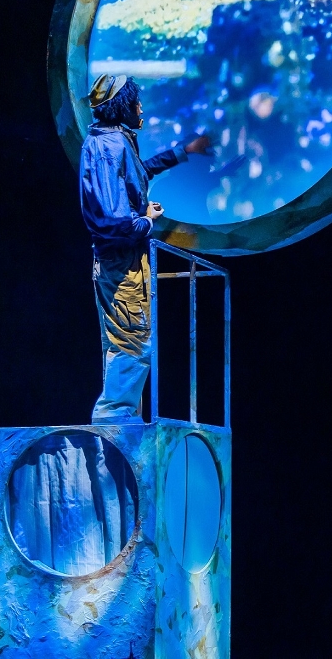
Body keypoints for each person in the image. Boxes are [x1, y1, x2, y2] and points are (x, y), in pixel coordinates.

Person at [79, 74, 211, 423]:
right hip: (120, 260)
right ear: (122, 105)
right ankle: (113, 422)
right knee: (132, 341)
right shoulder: (109, 146)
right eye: (136, 102)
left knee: (126, 339)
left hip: (123, 258)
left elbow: (138, 173)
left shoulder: (114, 139)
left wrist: (182, 153)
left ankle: (118, 420)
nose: (141, 108)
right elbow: (113, 221)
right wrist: (146, 221)